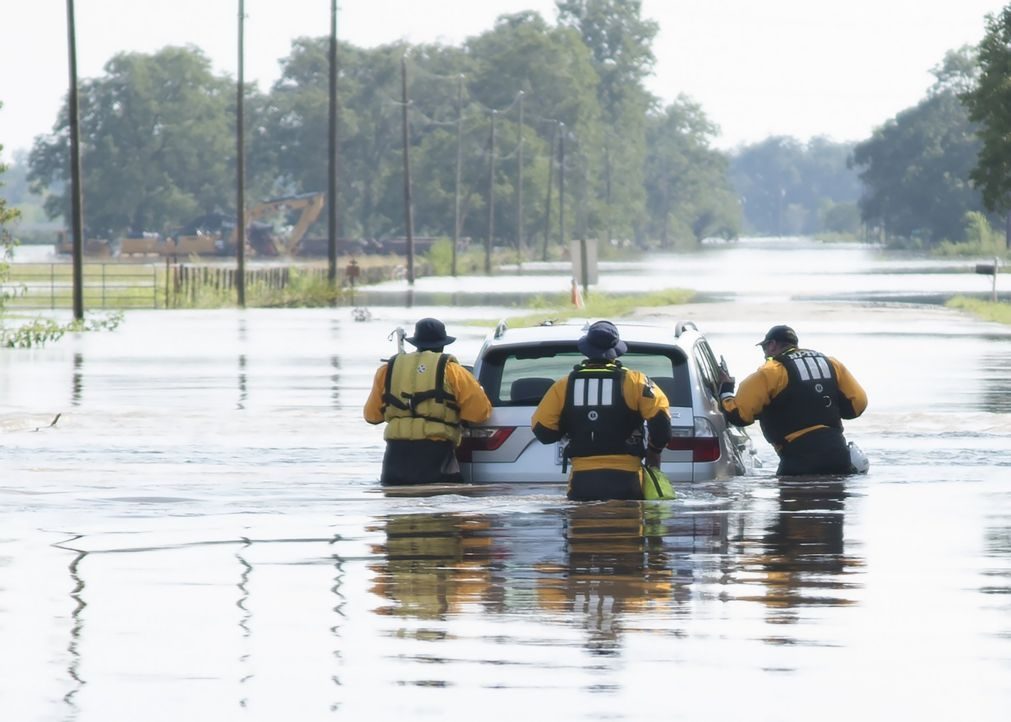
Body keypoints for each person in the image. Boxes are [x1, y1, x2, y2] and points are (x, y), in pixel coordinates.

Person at [531, 320, 672, 501]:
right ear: (615, 350)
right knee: (628, 527)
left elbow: (543, 432)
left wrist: (570, 427)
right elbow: (662, 426)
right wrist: (654, 450)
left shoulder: (564, 385)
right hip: (628, 482)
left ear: (586, 349)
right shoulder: (636, 382)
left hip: (582, 484)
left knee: (582, 526)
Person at [718, 324, 867, 475]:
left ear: (772, 345)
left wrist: (726, 392)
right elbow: (858, 405)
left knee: (794, 495)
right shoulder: (831, 364)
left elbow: (739, 416)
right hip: (838, 455)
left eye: (764, 348)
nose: (764, 355)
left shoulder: (771, 371)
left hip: (799, 459)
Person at [364, 318, 492, 485]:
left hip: (394, 459)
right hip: (435, 456)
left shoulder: (387, 370)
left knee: (398, 507)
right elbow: (479, 413)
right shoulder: (453, 371)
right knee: (441, 504)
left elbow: (371, 416)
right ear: (443, 344)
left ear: (415, 343)